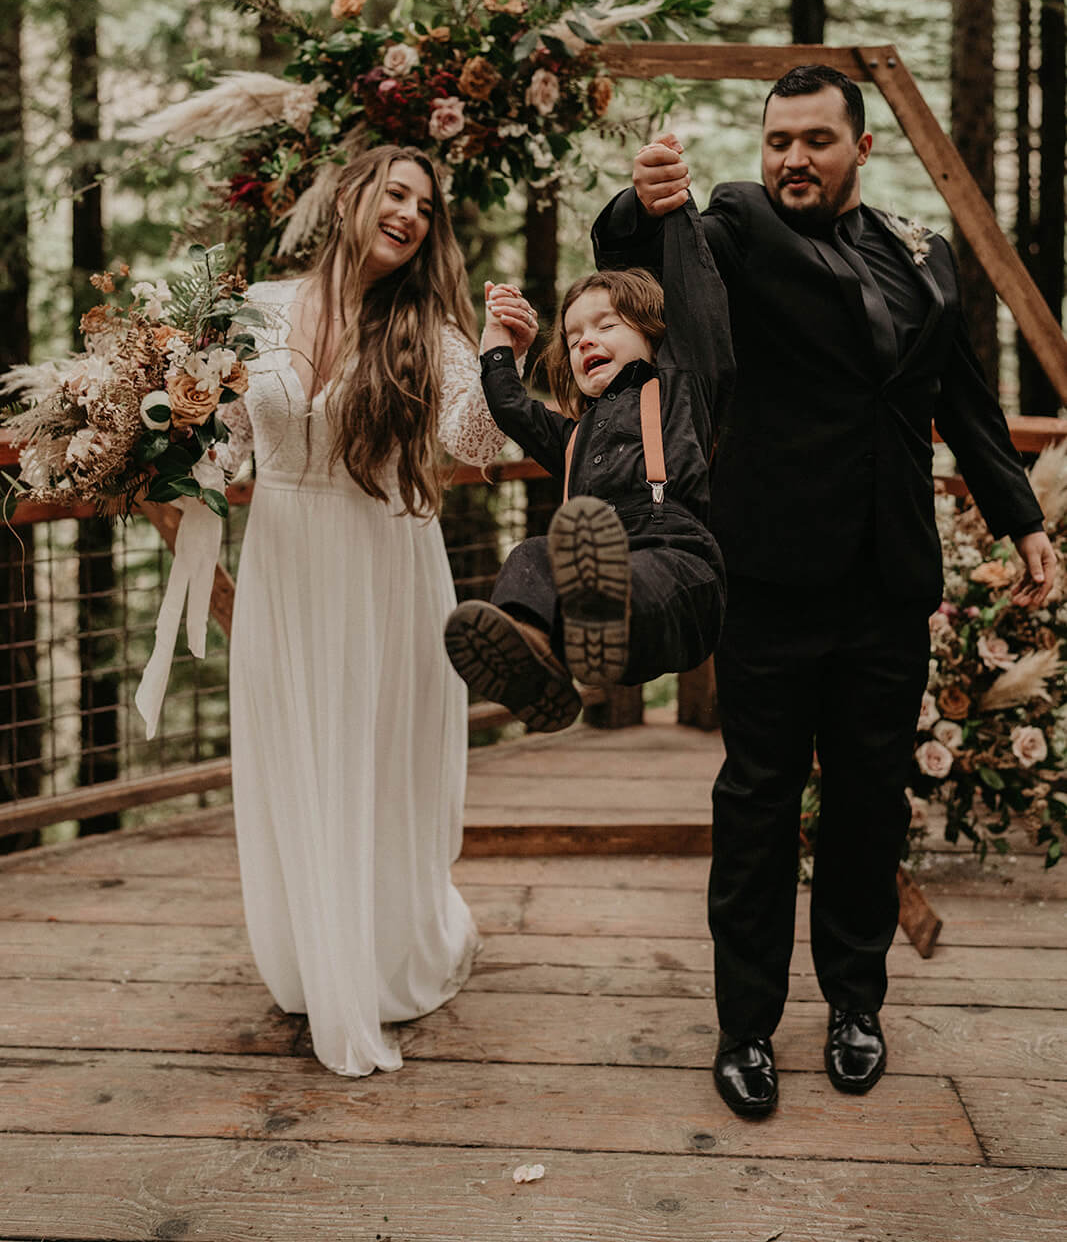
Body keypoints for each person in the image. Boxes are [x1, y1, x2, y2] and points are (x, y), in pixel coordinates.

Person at [592, 64, 1057, 1118]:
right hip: (767, 572)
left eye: (813, 140)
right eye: (775, 141)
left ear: (859, 147)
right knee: (755, 802)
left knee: (864, 802)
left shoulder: (923, 256)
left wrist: (1022, 519)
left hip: (889, 579)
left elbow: (962, 401)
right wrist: (640, 201)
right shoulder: (738, 227)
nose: (789, 158)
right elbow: (638, 264)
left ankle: (855, 1003)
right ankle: (743, 1024)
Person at [217, 144, 528, 1076]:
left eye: (426, 207)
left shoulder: (425, 330)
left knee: (377, 756)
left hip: (383, 560)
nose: (409, 214)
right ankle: (313, 954)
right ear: (350, 195)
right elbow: (224, 442)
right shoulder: (256, 311)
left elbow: (472, 437)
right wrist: (142, 419)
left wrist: (501, 351)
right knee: (295, 752)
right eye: (395, 194)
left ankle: (385, 955)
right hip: (283, 562)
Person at [443, 196, 734, 734]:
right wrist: (497, 343)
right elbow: (511, 408)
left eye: (605, 325)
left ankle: (607, 607)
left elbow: (700, 306)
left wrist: (675, 209)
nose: (585, 341)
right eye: (575, 338)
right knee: (534, 554)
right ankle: (537, 653)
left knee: (628, 568)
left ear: (653, 332)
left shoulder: (682, 386)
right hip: (599, 561)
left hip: (679, 567)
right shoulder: (574, 437)